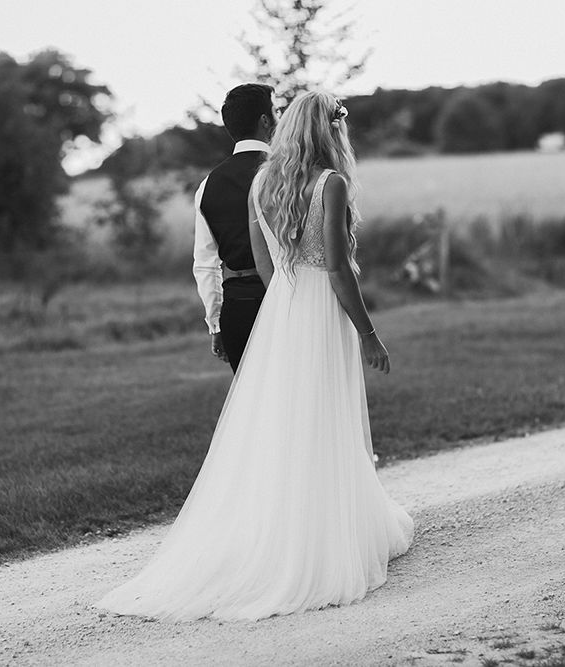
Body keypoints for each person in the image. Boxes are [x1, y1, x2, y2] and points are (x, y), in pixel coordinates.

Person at [96, 91, 413, 622]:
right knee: (324, 415)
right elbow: (337, 270)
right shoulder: (330, 184)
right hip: (319, 307)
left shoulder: (264, 184)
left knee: (277, 421)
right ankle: (321, 537)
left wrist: (280, 303)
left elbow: (259, 259)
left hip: (281, 309)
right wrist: (367, 333)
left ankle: (278, 527)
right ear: (329, 132)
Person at [193, 83, 277, 372]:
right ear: (266, 121)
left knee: (251, 406)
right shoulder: (284, 174)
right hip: (282, 297)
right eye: (276, 112)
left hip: (236, 308)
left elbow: (205, 263)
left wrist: (216, 323)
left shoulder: (208, 185)